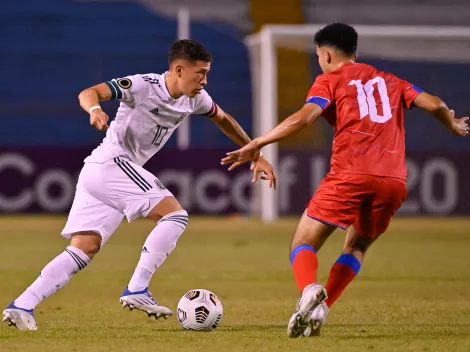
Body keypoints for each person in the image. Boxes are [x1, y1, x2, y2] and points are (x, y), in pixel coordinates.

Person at [3, 39, 276, 331]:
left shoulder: (196, 98)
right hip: (111, 163)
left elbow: (224, 119)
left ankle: (22, 305)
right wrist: (94, 109)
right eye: (200, 73)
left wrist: (255, 152)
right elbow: (89, 92)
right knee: (175, 216)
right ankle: (136, 289)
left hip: (101, 174)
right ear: (180, 69)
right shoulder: (142, 85)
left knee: (84, 247)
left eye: (207, 73)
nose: (205, 80)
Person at [221, 23, 468, 338]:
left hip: (351, 173)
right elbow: (434, 103)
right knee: (357, 246)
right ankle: (323, 308)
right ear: (356, 52)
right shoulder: (392, 81)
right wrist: (453, 126)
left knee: (303, 242)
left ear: (325, 54)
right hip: (393, 180)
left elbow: (305, 117)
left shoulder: (330, 80)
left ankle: (310, 290)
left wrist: (260, 142)